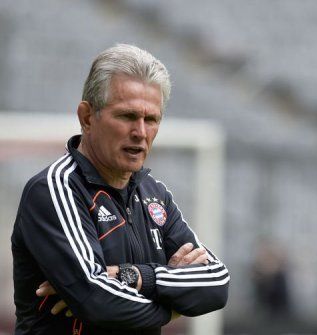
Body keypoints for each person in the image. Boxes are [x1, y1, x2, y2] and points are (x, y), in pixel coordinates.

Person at [11, 44, 230, 334]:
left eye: (151, 119)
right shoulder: (54, 190)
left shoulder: (155, 195)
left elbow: (215, 284)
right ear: (87, 117)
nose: (140, 132)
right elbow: (98, 300)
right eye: (127, 116)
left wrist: (137, 277)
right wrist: (174, 308)